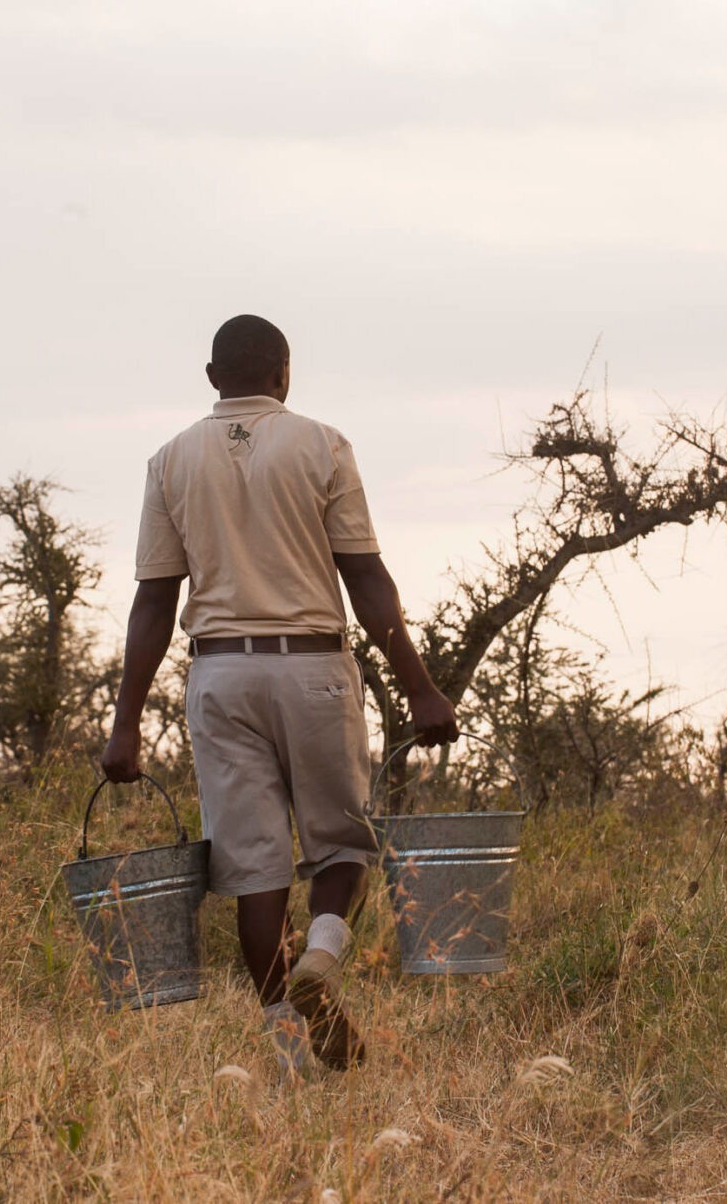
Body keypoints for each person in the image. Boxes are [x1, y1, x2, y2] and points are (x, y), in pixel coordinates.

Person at [99, 314, 460, 1076]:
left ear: (210, 378)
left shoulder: (169, 461)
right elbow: (366, 579)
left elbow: (153, 602)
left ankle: (291, 1055)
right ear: (284, 374)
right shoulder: (322, 444)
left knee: (252, 870)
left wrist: (125, 723)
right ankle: (322, 955)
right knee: (342, 843)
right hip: (313, 669)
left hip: (220, 675)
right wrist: (420, 687)